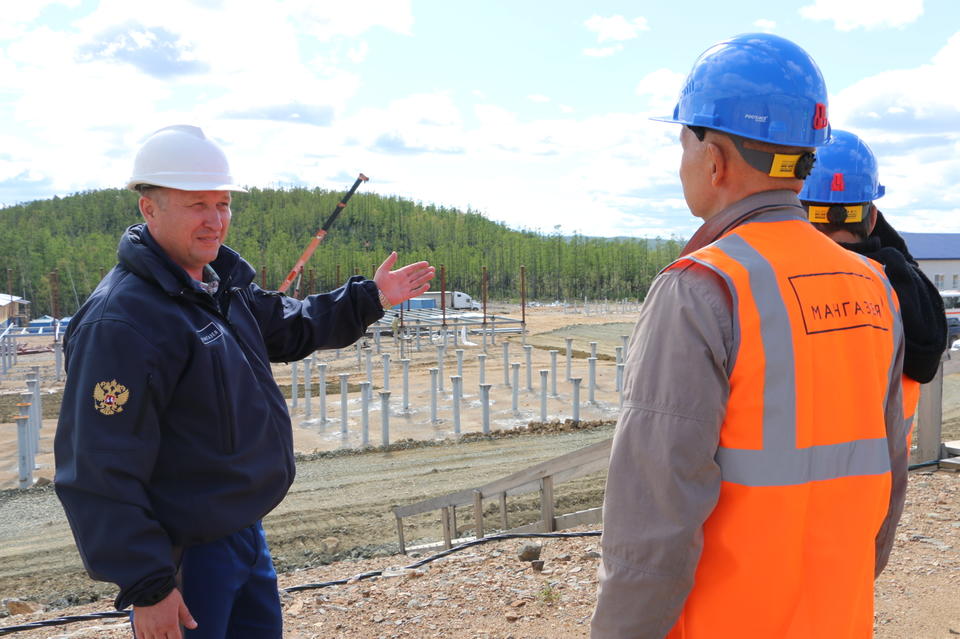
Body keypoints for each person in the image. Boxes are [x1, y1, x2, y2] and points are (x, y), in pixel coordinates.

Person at [54, 124, 435, 639]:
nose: (215, 221)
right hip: (186, 554)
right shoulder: (123, 322)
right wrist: (148, 585)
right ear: (149, 208)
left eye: (223, 203)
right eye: (196, 205)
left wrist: (371, 299)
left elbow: (289, 323)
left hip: (242, 534)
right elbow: (98, 466)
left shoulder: (217, 287)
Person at [592, 34, 907, 638]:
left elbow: (654, 516)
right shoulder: (873, 284)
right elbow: (887, 476)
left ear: (714, 159)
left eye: (683, 139)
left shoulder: (703, 287)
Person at [799, 128, 947, 446]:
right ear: (873, 217)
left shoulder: (776, 280)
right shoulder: (898, 284)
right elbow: (925, 361)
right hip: (877, 480)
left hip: (785, 485)